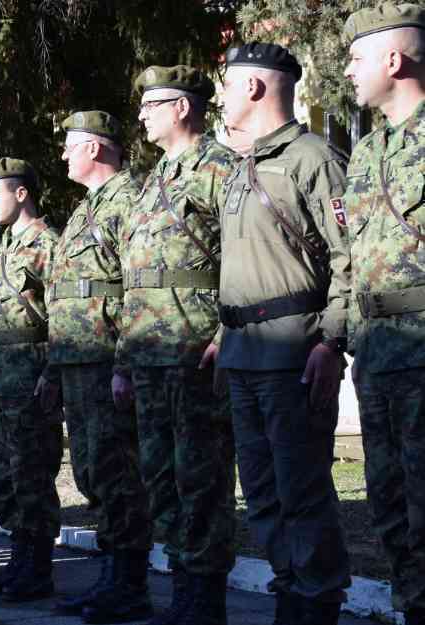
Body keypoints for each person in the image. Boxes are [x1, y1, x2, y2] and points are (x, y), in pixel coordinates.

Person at [216, 42, 352, 625]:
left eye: (225, 83)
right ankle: (289, 588)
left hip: (294, 350)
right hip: (243, 352)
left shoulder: (314, 160)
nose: (219, 95)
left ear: (252, 88)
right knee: (263, 492)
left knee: (302, 488)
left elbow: (350, 257)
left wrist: (331, 341)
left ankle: (316, 601)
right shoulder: (240, 167)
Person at [112, 66, 237, 625]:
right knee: (160, 478)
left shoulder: (221, 170)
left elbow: (245, 259)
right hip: (147, 358)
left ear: (182, 108)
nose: (141, 114)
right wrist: (121, 360)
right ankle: (183, 585)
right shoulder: (153, 179)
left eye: (151, 104)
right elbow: (133, 278)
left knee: (202, 479)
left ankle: (203, 601)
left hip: (195, 352)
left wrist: (229, 332)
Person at [47, 111, 153, 623]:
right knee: (94, 472)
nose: (63, 156)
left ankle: (129, 581)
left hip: (107, 358)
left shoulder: (128, 200)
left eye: (70, 146)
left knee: (119, 473)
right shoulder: (88, 207)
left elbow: (137, 287)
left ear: (94, 148)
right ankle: (112, 573)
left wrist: (125, 363)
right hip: (77, 361)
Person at [343, 5, 425, 624]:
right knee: (389, 504)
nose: (347, 71)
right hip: (376, 355)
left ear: (394, 61)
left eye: (356, 57)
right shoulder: (367, 152)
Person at [0, 158, 62, 601]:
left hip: (28, 379)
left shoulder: (47, 244)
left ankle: (37, 566)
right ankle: (19, 557)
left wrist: (53, 371)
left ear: (21, 193)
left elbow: (63, 315)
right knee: (1, 478)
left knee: (31, 473)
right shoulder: (3, 248)